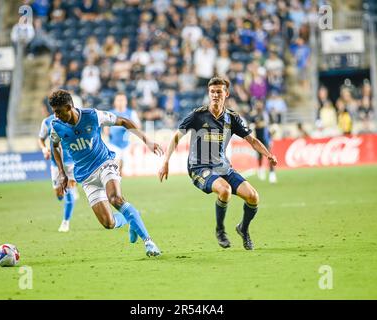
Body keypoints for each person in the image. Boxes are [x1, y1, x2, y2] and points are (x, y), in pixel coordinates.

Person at [159, 77, 277, 250]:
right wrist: (165, 161)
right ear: (208, 93)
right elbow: (176, 137)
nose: (215, 95)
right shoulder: (197, 115)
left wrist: (268, 155)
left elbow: (251, 140)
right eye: (212, 92)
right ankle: (220, 231)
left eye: (219, 92)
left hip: (222, 166)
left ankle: (243, 229)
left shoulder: (232, 118)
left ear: (226, 94)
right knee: (224, 190)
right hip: (199, 168)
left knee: (253, 197)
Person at [49, 90, 162, 257]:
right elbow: (55, 146)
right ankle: (131, 219)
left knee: (115, 199)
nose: (56, 115)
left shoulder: (93, 116)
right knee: (108, 223)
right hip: (86, 177)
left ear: (68, 107)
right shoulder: (56, 125)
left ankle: (148, 242)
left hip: (104, 164)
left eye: (58, 111)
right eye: (54, 112)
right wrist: (61, 172)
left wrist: (147, 141)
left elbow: (124, 121)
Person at [38, 113, 77, 232]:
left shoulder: (73, 119)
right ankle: (65, 192)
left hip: (71, 163)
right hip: (56, 164)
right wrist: (44, 149)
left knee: (69, 192)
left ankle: (66, 222)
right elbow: (41, 138)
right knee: (60, 194)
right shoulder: (47, 121)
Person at [103, 92, 141, 176]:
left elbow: (138, 127)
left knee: (124, 169)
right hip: (113, 144)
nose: (120, 102)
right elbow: (106, 130)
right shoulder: (110, 113)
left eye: (122, 100)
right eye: (118, 100)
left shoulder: (131, 113)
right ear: (115, 102)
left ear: (126, 101)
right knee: (115, 166)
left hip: (127, 144)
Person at [250, 99, 277, 183]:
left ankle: (272, 174)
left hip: (266, 139)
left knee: (269, 155)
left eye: (260, 104)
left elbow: (273, 126)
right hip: (258, 139)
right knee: (259, 155)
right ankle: (261, 169)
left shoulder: (267, 114)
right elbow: (251, 126)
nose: (258, 106)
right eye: (257, 104)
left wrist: (272, 135)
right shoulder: (253, 116)